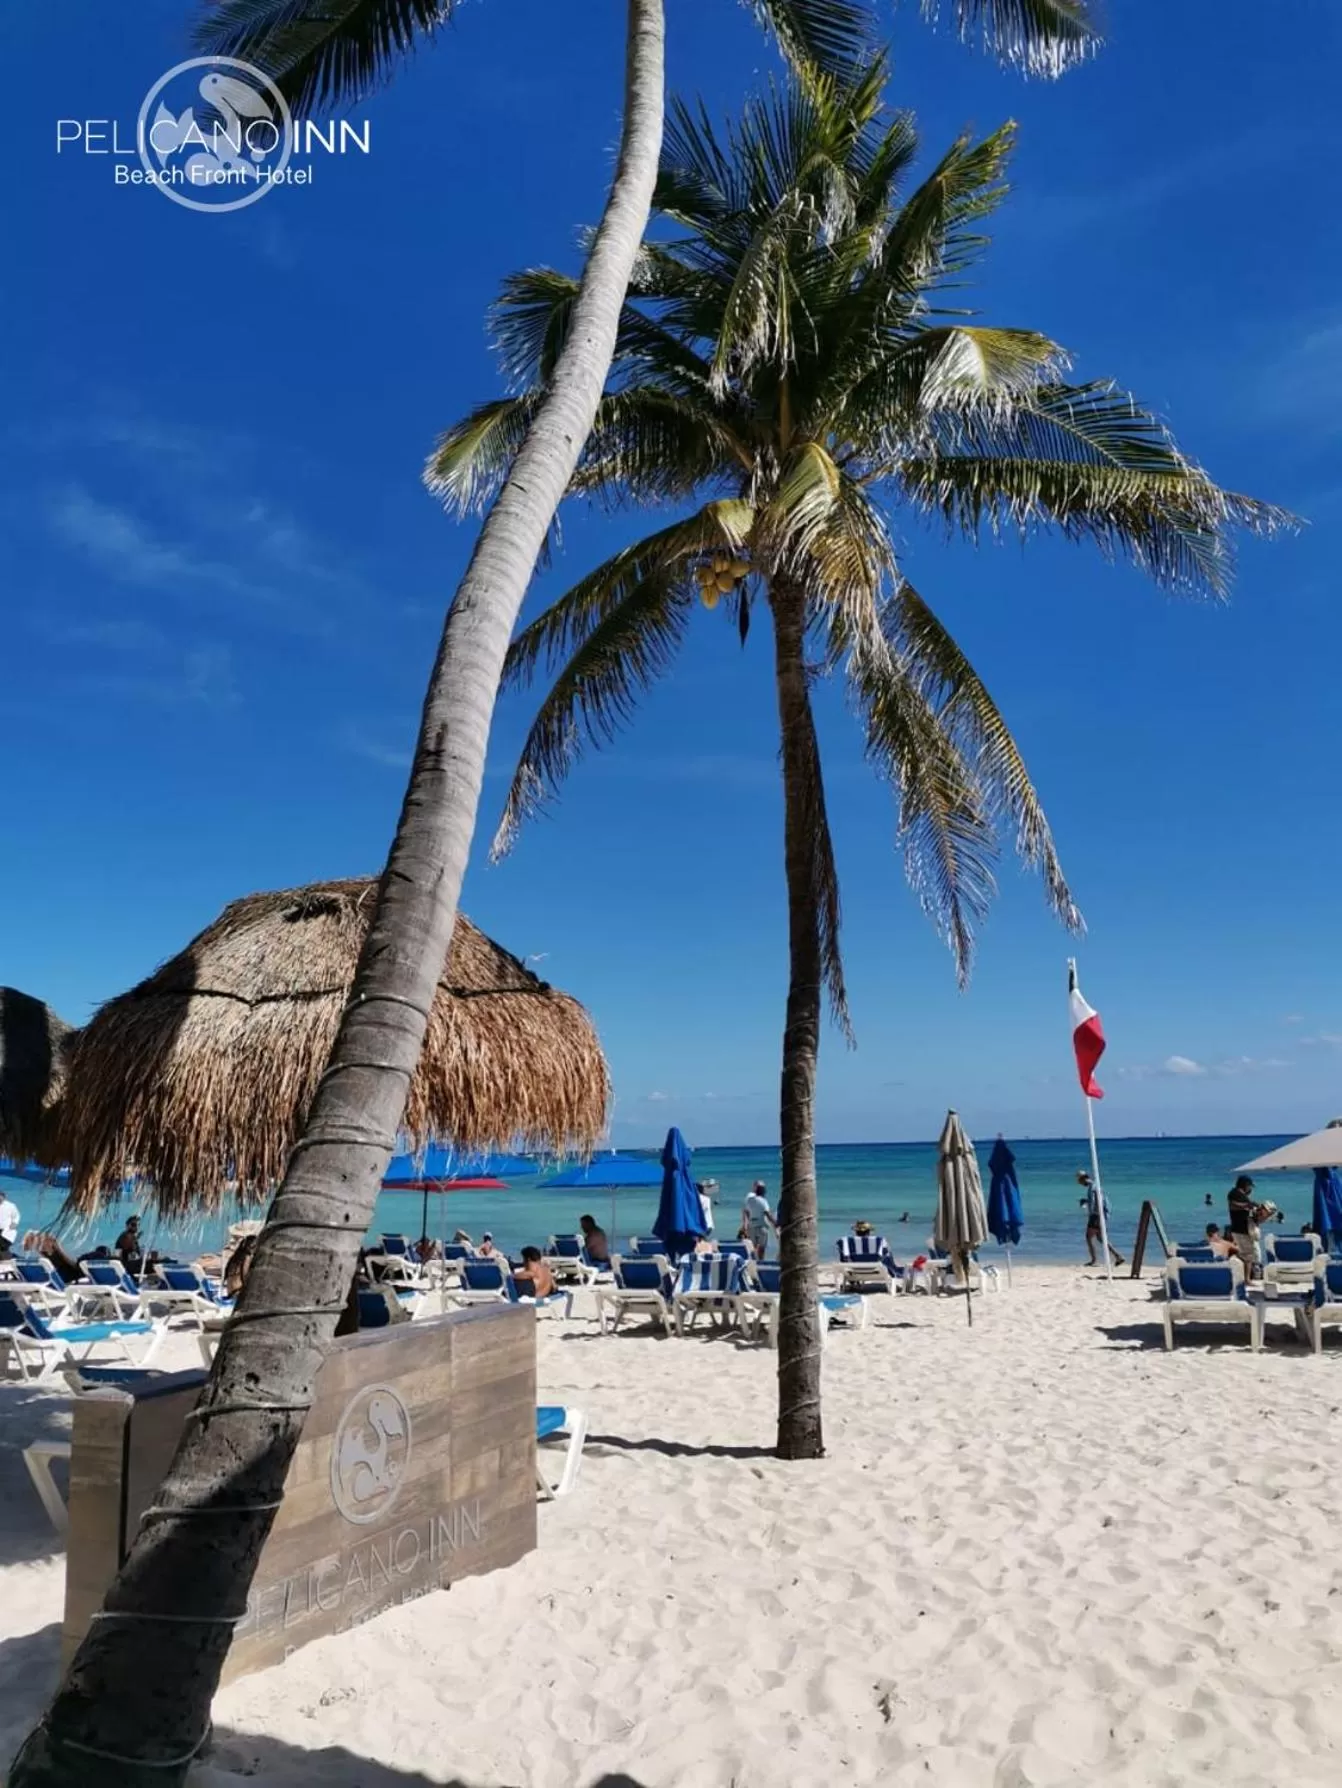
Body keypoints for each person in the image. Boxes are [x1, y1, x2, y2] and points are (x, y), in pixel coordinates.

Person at [1077, 1171, 1124, 1268]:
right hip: (1100, 1215)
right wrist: (1086, 1201)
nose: (1081, 1184)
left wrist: (1097, 1216)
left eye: (1080, 1182)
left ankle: (1094, 1260)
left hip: (1096, 1215)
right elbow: (1096, 1200)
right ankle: (1118, 1256)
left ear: (1083, 1179)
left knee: (1088, 1237)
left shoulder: (1092, 1187)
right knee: (1101, 1238)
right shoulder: (1094, 1186)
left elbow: (1097, 1202)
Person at [1226, 1175, 1257, 1278]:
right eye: (1249, 1186)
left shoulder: (1240, 1194)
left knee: (1246, 1254)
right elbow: (1232, 1205)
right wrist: (1247, 1205)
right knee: (1248, 1255)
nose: (1250, 1188)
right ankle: (1246, 1279)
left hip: (1241, 1228)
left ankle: (1242, 1276)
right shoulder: (1234, 1193)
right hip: (1240, 1228)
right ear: (1245, 1185)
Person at [742, 1181, 777, 1260]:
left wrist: (745, 1224)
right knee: (761, 1248)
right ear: (763, 1191)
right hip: (762, 1227)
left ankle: (753, 1263)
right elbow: (767, 1214)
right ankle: (761, 1263)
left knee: (752, 1248)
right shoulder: (763, 1201)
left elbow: (746, 1212)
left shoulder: (750, 1200)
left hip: (751, 1226)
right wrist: (775, 1223)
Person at [0, 1189, 20, 1260]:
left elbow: (16, 1215)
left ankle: (11, 1258)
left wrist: (14, 1223)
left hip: (7, 1230)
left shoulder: (10, 1205)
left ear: (4, 1197)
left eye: (1, 1196)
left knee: (3, 1246)